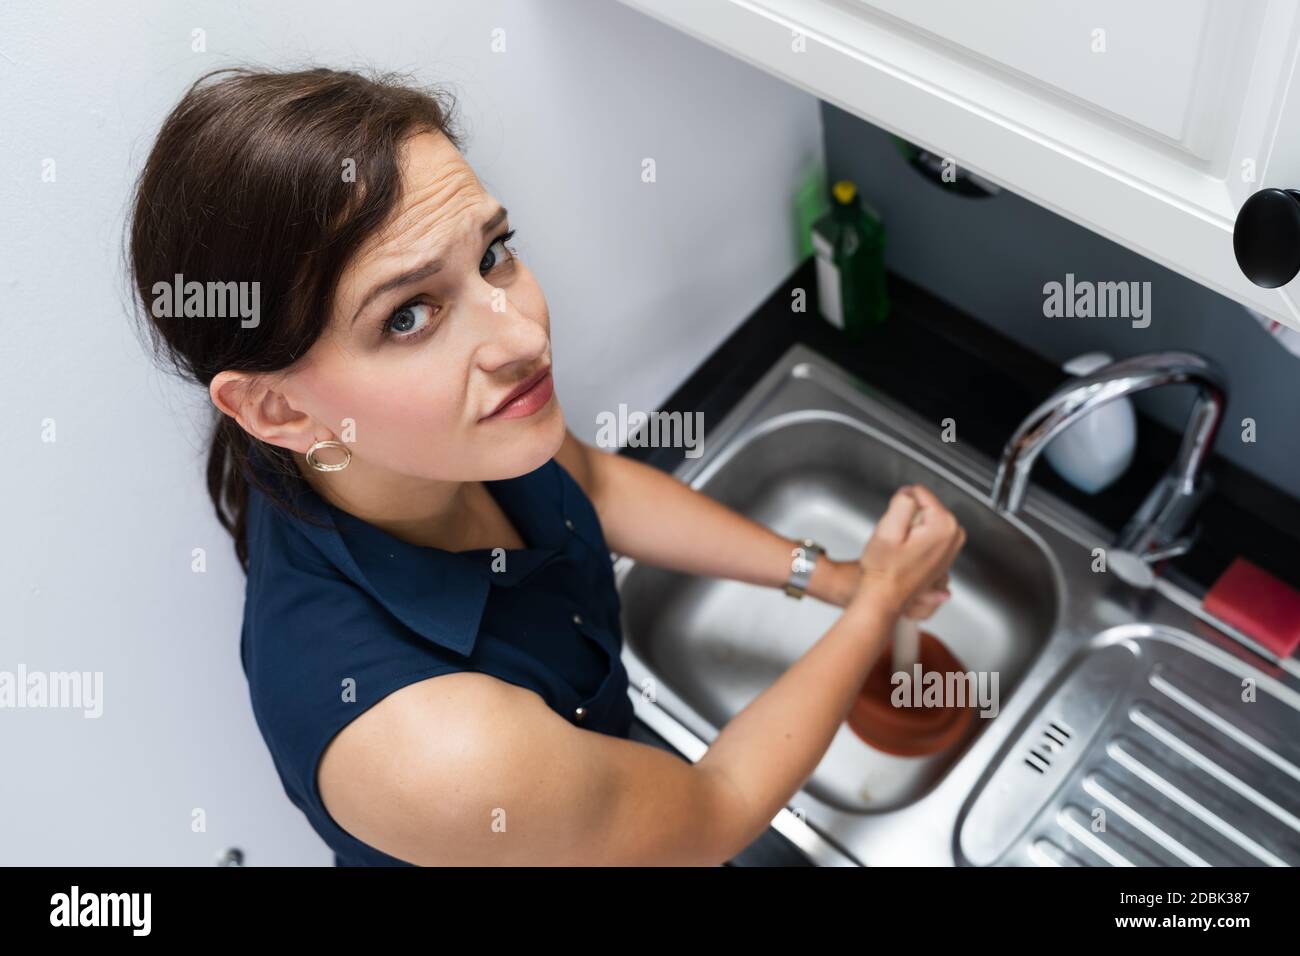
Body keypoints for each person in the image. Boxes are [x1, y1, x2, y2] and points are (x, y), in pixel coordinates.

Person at [126, 66, 966, 866]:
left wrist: (835, 580)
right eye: (411, 315)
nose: (524, 335)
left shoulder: (408, 443)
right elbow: (712, 810)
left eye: (493, 254)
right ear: (278, 411)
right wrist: (880, 604)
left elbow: (592, 485)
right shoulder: (432, 748)